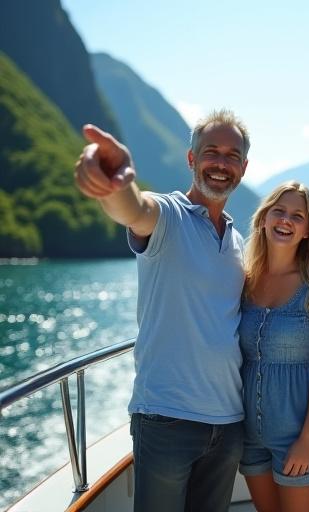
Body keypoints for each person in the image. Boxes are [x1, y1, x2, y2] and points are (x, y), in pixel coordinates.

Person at [74, 110, 250, 511]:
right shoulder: (168, 215)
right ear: (191, 159)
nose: (221, 163)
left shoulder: (239, 241)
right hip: (167, 420)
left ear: (243, 166)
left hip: (228, 424)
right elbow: (133, 209)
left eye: (232, 155)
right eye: (211, 152)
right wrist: (115, 184)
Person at [239, 181, 309, 512]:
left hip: (298, 434)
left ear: (308, 230)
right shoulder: (245, 281)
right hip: (248, 433)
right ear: (263, 219)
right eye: (279, 211)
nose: (286, 220)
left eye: (297, 215)